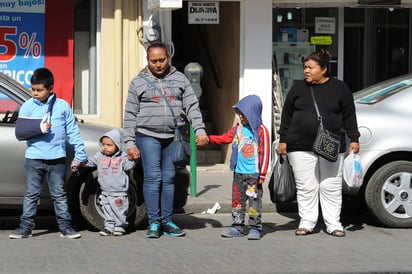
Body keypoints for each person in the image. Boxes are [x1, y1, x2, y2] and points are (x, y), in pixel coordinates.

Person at [123, 41, 209, 238]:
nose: (158, 64)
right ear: (148, 60)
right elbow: (129, 114)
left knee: (169, 179)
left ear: (168, 58)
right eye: (154, 61)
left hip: (174, 137)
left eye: (161, 60)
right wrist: (129, 143)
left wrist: (200, 129)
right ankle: (154, 223)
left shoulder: (180, 79)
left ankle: (167, 221)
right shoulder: (138, 82)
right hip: (147, 136)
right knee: (153, 178)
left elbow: (191, 106)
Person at [277, 49, 360, 237]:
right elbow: (287, 116)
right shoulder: (298, 89)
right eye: (305, 67)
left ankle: (333, 224)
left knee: (330, 185)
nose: (306, 71)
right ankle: (307, 222)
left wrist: (354, 138)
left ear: (323, 69)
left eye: (310, 67)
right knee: (307, 186)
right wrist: (283, 140)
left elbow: (349, 115)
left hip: (330, 145)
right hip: (299, 146)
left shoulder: (340, 88)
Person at [9, 68, 87, 239]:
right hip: (34, 158)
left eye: (39, 90)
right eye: (33, 89)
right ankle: (25, 227)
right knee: (31, 194)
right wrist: (39, 128)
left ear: (50, 88)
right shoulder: (28, 106)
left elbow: (73, 131)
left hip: (56, 159)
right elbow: (20, 132)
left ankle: (65, 227)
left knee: (59, 194)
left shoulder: (62, 106)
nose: (35, 93)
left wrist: (80, 153)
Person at [208, 95, 270, 240]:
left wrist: (262, 175)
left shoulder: (261, 131)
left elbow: (265, 153)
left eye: (244, 113)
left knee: (254, 202)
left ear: (252, 113)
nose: (241, 116)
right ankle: (237, 226)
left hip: (253, 175)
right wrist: (209, 139)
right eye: (240, 113)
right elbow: (225, 138)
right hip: (238, 174)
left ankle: (255, 227)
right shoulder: (238, 129)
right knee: (237, 201)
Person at [78, 128, 135, 236]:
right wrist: (82, 162)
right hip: (105, 191)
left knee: (119, 211)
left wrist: (133, 159)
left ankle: (119, 227)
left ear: (117, 146)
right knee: (107, 210)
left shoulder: (122, 157)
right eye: (103, 144)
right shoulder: (100, 156)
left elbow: (129, 166)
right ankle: (108, 227)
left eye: (109, 145)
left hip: (119, 192)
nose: (105, 147)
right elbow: (91, 161)